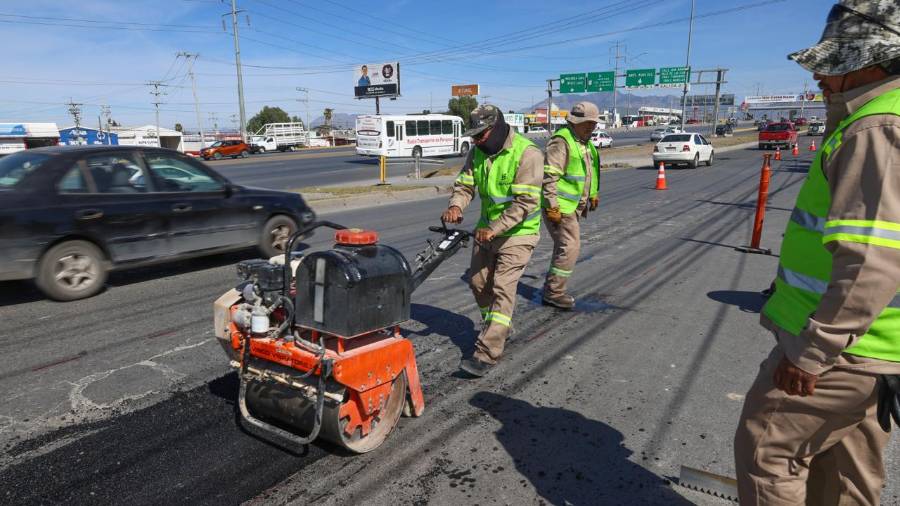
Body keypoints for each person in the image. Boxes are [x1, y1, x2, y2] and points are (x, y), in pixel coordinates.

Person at [734, 2, 900, 504]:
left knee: (767, 453)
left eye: (834, 63)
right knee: (846, 476)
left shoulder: (876, 128)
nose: (819, 76)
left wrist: (812, 353)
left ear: (873, 63)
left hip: (843, 350)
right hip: (877, 347)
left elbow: (872, 256)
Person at [441, 104, 543, 377]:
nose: (474, 141)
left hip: (518, 233)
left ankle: (486, 352)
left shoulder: (527, 154)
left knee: (502, 287)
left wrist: (496, 228)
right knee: (477, 283)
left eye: (480, 136)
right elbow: (465, 184)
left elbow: (525, 204)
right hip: (486, 232)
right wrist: (456, 206)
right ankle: (499, 327)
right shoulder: (477, 151)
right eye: (472, 136)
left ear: (496, 128)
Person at [541, 101, 601, 309]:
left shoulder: (585, 143)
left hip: (573, 206)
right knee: (569, 247)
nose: (590, 129)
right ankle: (553, 292)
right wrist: (552, 206)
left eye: (592, 125)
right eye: (586, 125)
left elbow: (589, 171)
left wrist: (593, 194)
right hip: (561, 207)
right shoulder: (562, 141)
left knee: (565, 247)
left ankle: (552, 289)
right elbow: (549, 177)